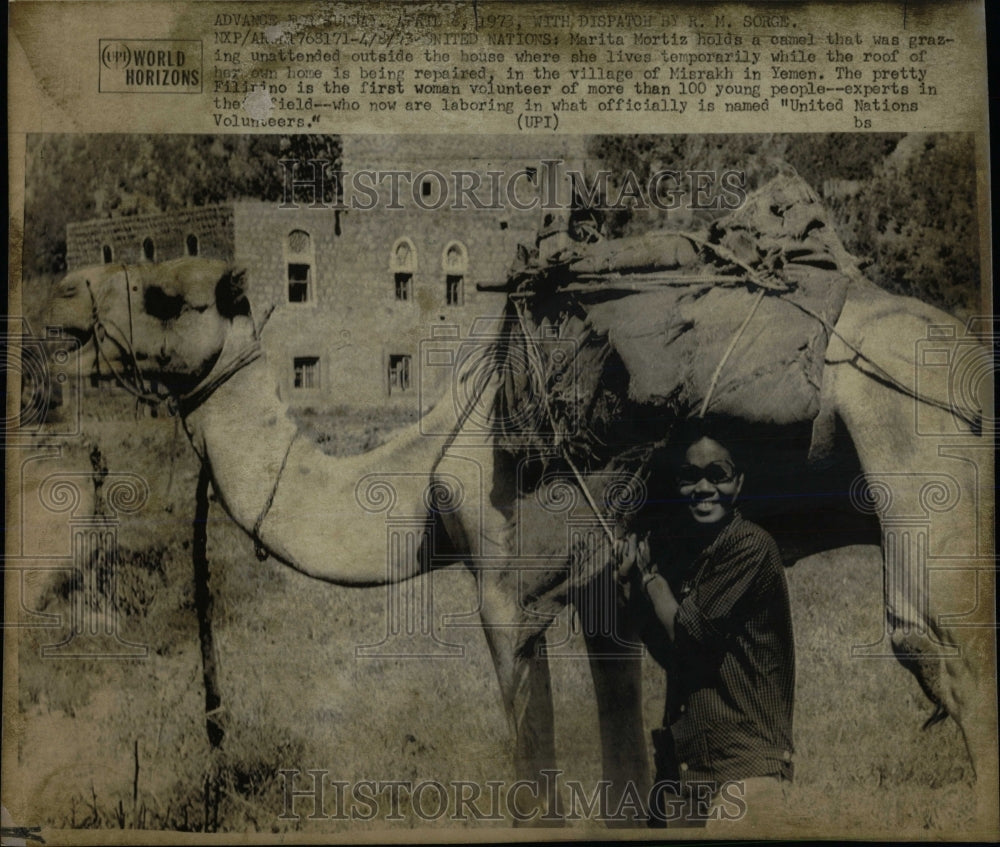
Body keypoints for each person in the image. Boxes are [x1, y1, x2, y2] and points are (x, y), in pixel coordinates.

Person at [616, 416, 795, 829]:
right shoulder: (700, 556)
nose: (703, 488)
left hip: (746, 775)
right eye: (690, 477)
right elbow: (677, 656)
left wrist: (650, 579)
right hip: (693, 773)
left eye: (718, 475)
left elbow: (687, 633)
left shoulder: (748, 545)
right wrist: (632, 590)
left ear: (740, 483)